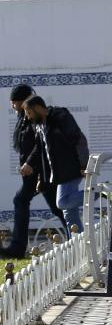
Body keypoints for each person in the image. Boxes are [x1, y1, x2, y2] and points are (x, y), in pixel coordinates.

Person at [0, 85, 66, 258]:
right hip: (35, 172)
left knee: (23, 200)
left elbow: (41, 143)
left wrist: (29, 163)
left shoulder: (32, 116)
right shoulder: (23, 117)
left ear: (23, 101)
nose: (12, 105)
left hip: (42, 170)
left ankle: (17, 248)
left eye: (14, 102)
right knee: (57, 207)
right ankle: (78, 237)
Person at [22, 96, 88, 235]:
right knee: (69, 214)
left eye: (29, 112)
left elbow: (78, 139)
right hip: (60, 173)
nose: (27, 117)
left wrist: (84, 164)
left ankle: (99, 193)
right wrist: (30, 165)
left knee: (62, 202)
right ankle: (77, 244)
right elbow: (40, 149)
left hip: (73, 168)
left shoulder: (60, 116)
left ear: (38, 108)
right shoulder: (39, 125)